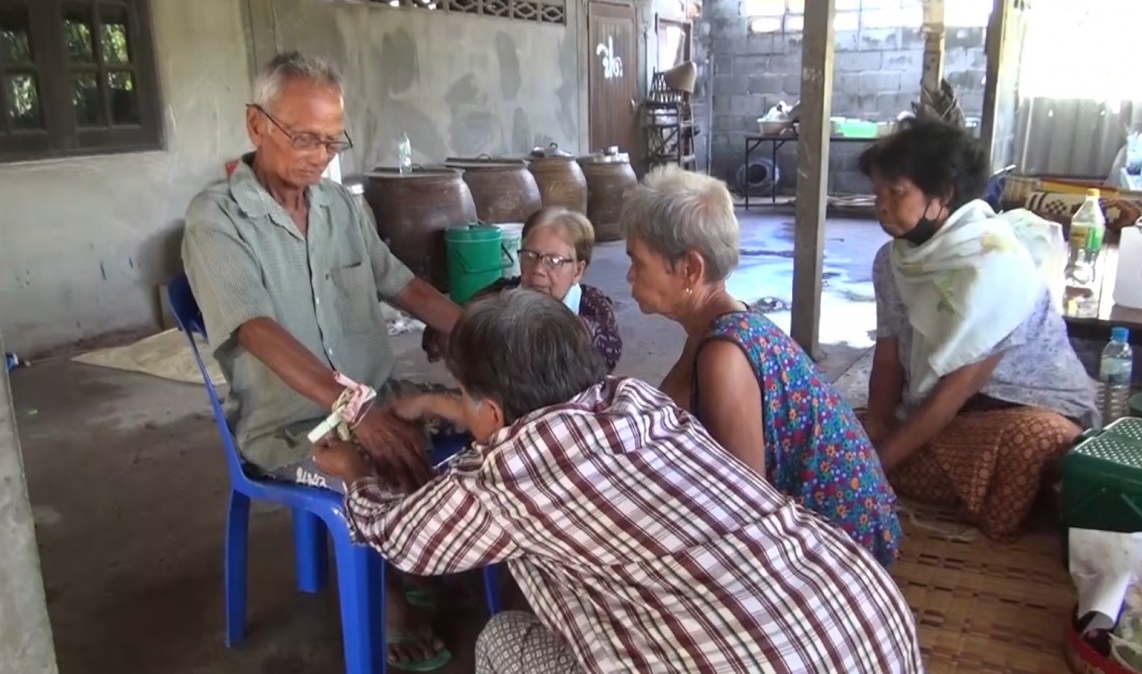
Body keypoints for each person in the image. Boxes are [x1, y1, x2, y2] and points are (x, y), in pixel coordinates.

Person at [314, 289, 924, 674]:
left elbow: (404, 538)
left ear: (494, 414)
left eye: (465, 397)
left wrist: (357, 475)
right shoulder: (636, 404)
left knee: (501, 641)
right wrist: (448, 406)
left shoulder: (508, 481)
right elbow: (531, 419)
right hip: (870, 630)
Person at [181, 51, 457, 669]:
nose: (319, 156)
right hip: (290, 428)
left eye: (332, 142)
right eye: (305, 137)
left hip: (377, 395)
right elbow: (254, 327)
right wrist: (353, 410)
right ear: (257, 125)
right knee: (360, 465)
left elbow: (402, 285)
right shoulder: (216, 220)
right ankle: (388, 600)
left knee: (472, 427)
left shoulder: (341, 208)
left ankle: (410, 547)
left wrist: (478, 331)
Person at [621, 165, 901, 567]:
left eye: (638, 261)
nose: (629, 275)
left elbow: (747, 514)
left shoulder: (724, 355)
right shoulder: (713, 329)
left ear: (690, 270)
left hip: (843, 553)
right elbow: (662, 415)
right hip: (840, 530)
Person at [858, 118, 1098, 539]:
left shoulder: (993, 263)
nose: (881, 206)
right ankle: (960, 481)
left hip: (1024, 409)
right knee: (838, 426)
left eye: (895, 193)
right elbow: (889, 354)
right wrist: (876, 424)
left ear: (942, 196)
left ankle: (930, 474)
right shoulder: (891, 262)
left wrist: (874, 464)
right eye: (877, 193)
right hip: (953, 420)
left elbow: (955, 392)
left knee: (1037, 442)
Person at [422, 207, 622, 371]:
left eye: (553, 261)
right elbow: (441, 330)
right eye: (529, 256)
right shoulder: (499, 293)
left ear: (578, 270)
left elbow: (605, 354)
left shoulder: (594, 308)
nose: (537, 270)